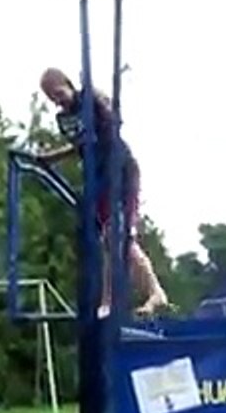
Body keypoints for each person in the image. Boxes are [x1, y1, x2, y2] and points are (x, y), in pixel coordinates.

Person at [36, 67, 169, 317]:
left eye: (59, 93)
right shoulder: (63, 119)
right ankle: (127, 297)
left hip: (121, 169)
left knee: (120, 236)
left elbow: (111, 120)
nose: (58, 100)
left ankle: (142, 295)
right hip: (99, 178)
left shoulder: (89, 99)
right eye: (51, 98)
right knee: (110, 239)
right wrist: (51, 158)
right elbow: (80, 146)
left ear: (68, 84)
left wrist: (98, 97)